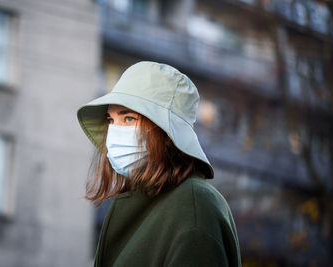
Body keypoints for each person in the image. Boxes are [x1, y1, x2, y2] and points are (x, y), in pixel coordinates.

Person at [77, 61, 241, 267]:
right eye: (110, 120)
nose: (114, 131)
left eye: (128, 118)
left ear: (166, 133)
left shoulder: (195, 207)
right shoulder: (138, 201)